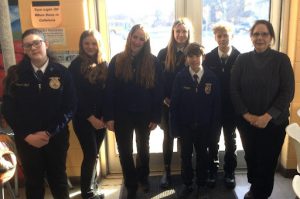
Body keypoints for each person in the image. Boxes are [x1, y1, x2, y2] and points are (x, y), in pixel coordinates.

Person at [1, 28, 77, 199]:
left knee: (58, 180)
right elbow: (9, 110)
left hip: (55, 138)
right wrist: (27, 135)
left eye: (36, 43)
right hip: (27, 141)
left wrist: (49, 132)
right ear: (25, 50)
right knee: (33, 182)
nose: (33, 48)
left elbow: (70, 107)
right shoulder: (16, 75)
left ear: (46, 44)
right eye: (28, 46)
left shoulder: (62, 73)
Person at [230, 19, 294, 199]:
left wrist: (267, 116)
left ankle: (260, 194)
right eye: (256, 34)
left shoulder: (281, 60)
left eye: (264, 34)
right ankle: (255, 189)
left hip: (274, 124)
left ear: (271, 37)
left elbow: (287, 92)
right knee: (251, 158)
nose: (260, 37)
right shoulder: (242, 59)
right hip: (247, 123)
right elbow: (233, 89)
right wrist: (247, 115)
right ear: (251, 37)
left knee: (266, 163)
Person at [103, 24, 163, 199]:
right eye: (135, 37)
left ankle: (143, 178)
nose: (137, 41)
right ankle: (130, 184)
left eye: (141, 38)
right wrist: (109, 117)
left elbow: (158, 91)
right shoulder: (117, 60)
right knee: (125, 151)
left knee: (143, 149)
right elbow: (110, 91)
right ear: (129, 37)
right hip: (122, 115)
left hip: (145, 114)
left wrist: (156, 116)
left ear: (146, 42)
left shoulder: (153, 62)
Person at [170, 42, 221, 198]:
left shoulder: (211, 78)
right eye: (190, 56)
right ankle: (187, 183)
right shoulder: (181, 77)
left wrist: (215, 130)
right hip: (186, 127)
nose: (194, 59)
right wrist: (175, 129)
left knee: (202, 156)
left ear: (203, 57)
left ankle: (201, 183)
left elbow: (217, 106)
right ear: (186, 58)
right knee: (185, 156)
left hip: (205, 127)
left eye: (197, 56)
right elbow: (175, 106)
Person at [68, 30, 107, 199]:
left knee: (95, 154)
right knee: (90, 154)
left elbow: (108, 93)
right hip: (84, 119)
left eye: (94, 43)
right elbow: (75, 98)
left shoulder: (104, 64)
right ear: (81, 45)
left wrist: (104, 117)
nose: (90, 47)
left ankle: (93, 186)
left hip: (101, 119)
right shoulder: (75, 66)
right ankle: (87, 193)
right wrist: (91, 118)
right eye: (87, 43)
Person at [202, 22, 240, 189]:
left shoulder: (240, 57)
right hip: (213, 108)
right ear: (215, 38)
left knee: (230, 142)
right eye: (219, 36)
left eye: (226, 35)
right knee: (213, 141)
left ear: (231, 36)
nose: (223, 39)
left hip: (232, 108)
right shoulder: (208, 57)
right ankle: (212, 170)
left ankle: (230, 172)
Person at [157, 17, 192, 188]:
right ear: (173, 32)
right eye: (177, 31)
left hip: (187, 104)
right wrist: (164, 97)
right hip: (167, 104)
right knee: (168, 137)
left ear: (188, 33)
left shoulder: (193, 52)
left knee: (185, 138)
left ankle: (186, 171)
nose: (181, 34)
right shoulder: (164, 53)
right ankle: (166, 171)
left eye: (184, 31)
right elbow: (158, 80)